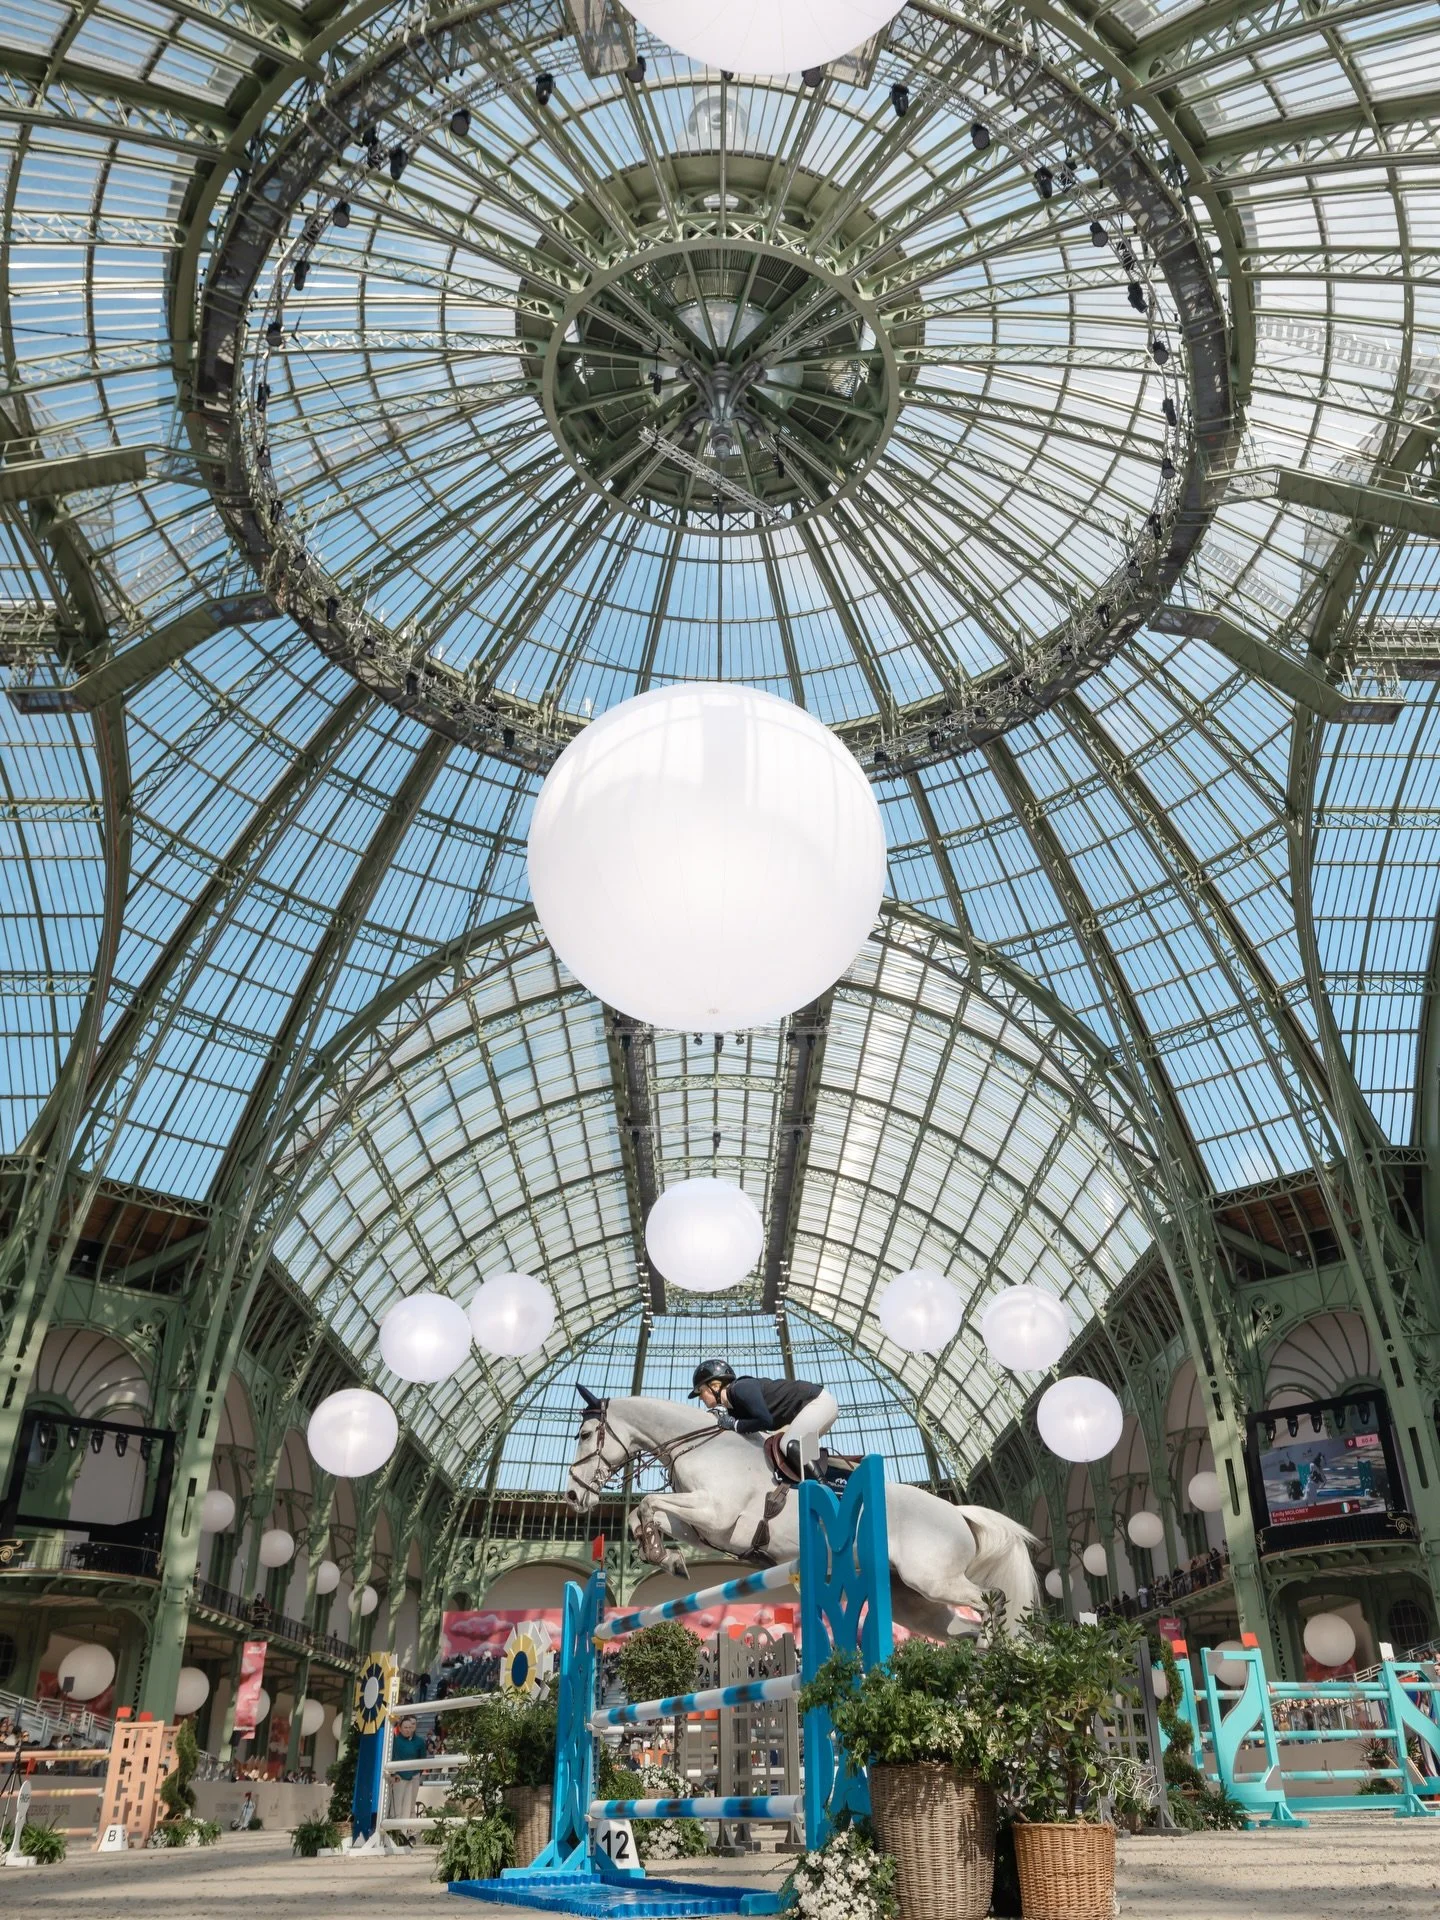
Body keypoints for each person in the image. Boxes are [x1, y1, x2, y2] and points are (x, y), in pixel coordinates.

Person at [689, 1359, 839, 1479]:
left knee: (788, 1444)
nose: (700, 1397)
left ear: (715, 1386)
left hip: (818, 1403)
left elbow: (765, 1420)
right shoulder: (733, 1407)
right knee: (794, 1461)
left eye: (701, 1391)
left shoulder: (740, 1388)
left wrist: (735, 1424)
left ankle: (823, 1489)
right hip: (803, 1414)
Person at [388, 1713, 427, 1840]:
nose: (408, 1729)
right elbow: (392, 1756)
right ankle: (393, 1834)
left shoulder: (418, 1742)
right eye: (405, 1727)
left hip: (411, 1777)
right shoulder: (395, 1740)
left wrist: (416, 1773)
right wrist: (393, 1774)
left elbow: (422, 1759)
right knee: (396, 1808)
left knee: (407, 1808)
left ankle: (403, 1835)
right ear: (400, 1728)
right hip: (398, 1777)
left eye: (410, 1727)